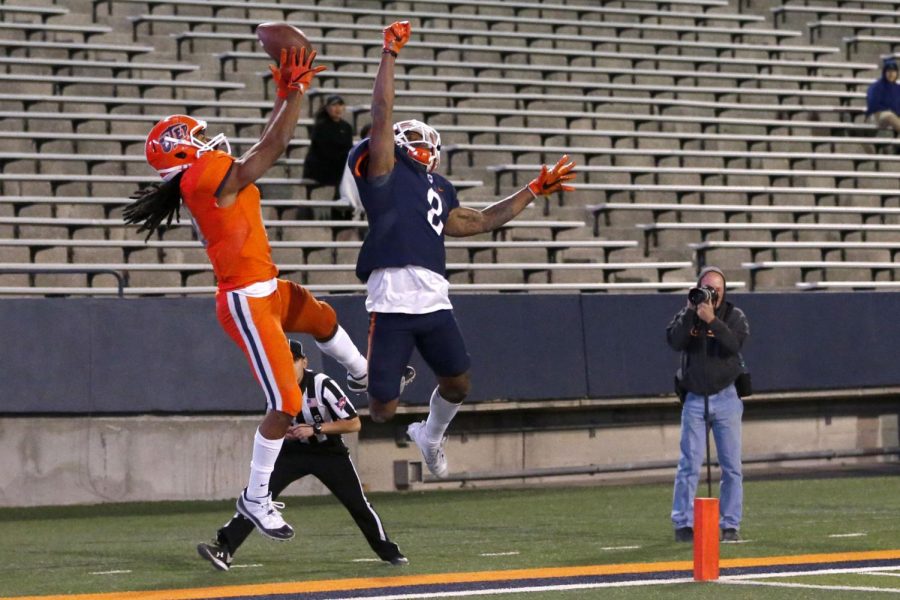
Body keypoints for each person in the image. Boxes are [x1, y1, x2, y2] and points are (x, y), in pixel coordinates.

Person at [123, 47, 371, 542]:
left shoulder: (201, 175)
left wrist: (284, 95)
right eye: (193, 138)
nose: (205, 140)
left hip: (266, 285)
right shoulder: (199, 178)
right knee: (286, 400)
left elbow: (261, 149)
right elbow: (271, 149)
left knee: (321, 317)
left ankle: (366, 372)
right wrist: (293, 92)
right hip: (245, 299)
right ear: (180, 152)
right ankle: (255, 498)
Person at [348, 20, 577, 478]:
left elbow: (482, 220)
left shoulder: (440, 187)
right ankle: (370, 374)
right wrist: (389, 55)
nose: (425, 146)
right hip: (392, 300)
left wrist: (532, 189)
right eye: (414, 139)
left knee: (458, 383)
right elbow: (381, 110)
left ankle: (430, 435)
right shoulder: (385, 170)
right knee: (381, 410)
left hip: (433, 298)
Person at [197, 339, 409, 571]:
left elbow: (354, 423)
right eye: (281, 362)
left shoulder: (322, 384)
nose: (287, 367)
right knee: (257, 497)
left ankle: (389, 551)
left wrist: (316, 429)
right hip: (292, 452)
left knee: (357, 503)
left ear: (303, 361)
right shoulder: (276, 388)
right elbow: (273, 422)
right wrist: (285, 433)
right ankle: (224, 548)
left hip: (328, 452)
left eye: (293, 361)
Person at [666, 266, 750, 543]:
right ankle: (683, 523)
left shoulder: (734, 316)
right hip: (694, 398)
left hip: (726, 397)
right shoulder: (688, 314)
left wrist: (712, 320)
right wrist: (692, 312)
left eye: (716, 289)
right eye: (707, 288)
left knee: (731, 466)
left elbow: (733, 345)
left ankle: (730, 524)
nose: (711, 294)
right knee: (689, 463)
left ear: (723, 292)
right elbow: (674, 341)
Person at [303, 94, 354, 198]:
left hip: (339, 165)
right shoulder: (320, 126)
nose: (338, 108)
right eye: (334, 105)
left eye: (340, 105)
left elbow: (349, 147)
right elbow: (323, 151)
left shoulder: (346, 127)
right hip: (322, 166)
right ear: (327, 108)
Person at [866, 57, 900, 135]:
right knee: (889, 115)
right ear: (884, 72)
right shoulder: (876, 86)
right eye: (888, 71)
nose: (891, 74)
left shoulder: (898, 88)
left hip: (896, 116)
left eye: (894, 71)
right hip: (878, 115)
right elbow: (873, 104)